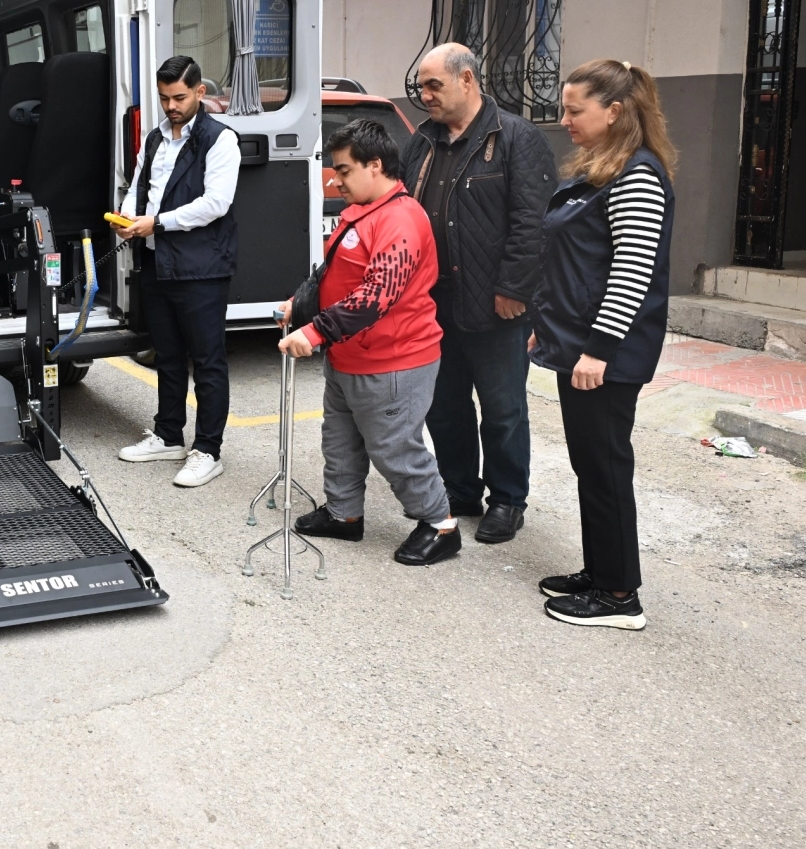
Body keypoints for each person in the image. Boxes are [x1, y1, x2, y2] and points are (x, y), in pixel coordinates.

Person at [531, 59, 676, 630]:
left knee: (606, 468)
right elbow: (576, 263)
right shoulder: (603, 170)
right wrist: (549, 325)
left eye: (575, 110)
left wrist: (598, 350)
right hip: (579, 345)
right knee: (590, 465)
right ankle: (600, 572)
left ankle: (619, 596)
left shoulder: (637, 175)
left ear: (613, 112)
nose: (565, 120)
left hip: (605, 356)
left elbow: (631, 273)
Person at [285, 119, 461, 566]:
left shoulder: (400, 219)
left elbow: (375, 295)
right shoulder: (363, 210)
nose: (335, 180)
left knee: (395, 449)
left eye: (344, 170)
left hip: (392, 360)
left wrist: (315, 331)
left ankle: (440, 525)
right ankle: (344, 514)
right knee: (339, 440)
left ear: (375, 165)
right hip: (350, 354)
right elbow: (337, 272)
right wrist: (301, 304)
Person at [403, 43, 556, 544]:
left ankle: (508, 500)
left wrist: (514, 287)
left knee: (503, 408)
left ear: (466, 79)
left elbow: (533, 222)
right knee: (443, 404)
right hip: (433, 301)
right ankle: (460, 489)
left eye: (434, 85)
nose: (425, 96)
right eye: (421, 87)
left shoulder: (516, 137)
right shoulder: (422, 141)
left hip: (496, 303)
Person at [114, 55, 241, 488]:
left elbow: (215, 203)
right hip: (156, 260)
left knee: (207, 361)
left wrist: (157, 223)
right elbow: (139, 186)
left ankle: (208, 450)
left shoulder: (220, 139)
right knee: (166, 356)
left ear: (200, 92)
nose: (171, 106)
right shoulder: (154, 138)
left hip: (202, 267)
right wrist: (128, 217)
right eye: (164, 98)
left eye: (180, 98)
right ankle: (169, 435)